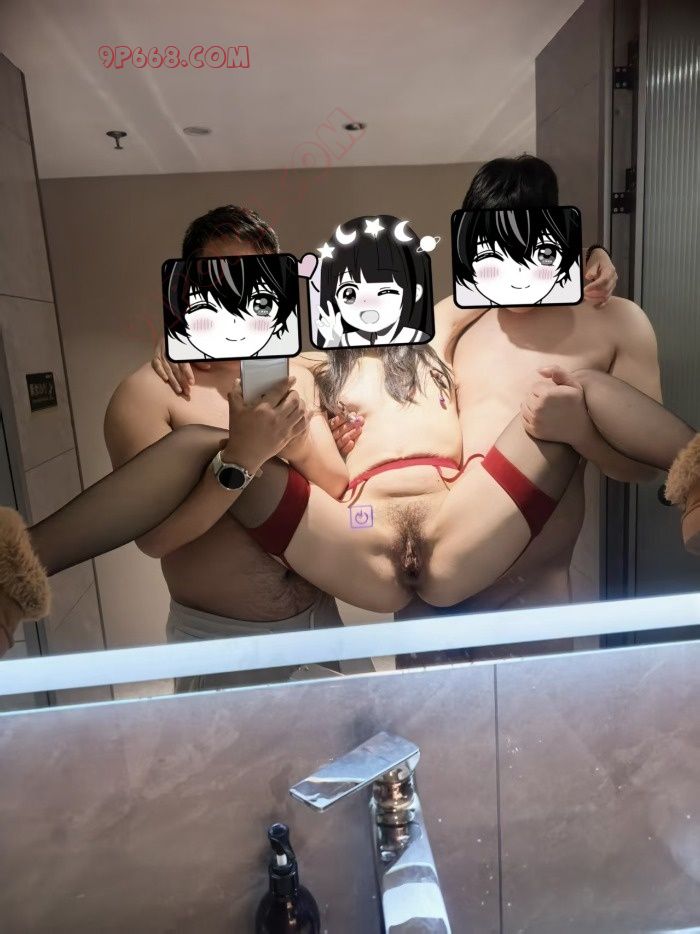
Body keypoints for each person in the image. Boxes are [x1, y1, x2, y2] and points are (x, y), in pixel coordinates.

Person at [105, 205, 346, 689]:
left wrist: (296, 444)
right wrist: (241, 460)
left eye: (254, 283)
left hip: (321, 626)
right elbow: (155, 539)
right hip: (220, 647)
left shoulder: (295, 374)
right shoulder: (147, 395)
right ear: (188, 289)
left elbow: (336, 485)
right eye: (219, 284)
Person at [310, 216, 434, 348]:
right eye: (349, 293)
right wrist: (332, 341)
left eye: (386, 291)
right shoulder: (342, 341)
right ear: (334, 296)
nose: (367, 303)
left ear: (415, 293)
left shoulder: (418, 339)